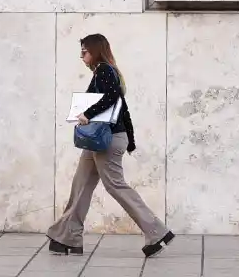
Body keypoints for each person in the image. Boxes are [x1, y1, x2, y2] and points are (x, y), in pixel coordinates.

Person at [47, 33, 175, 258]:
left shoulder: (105, 70)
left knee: (116, 186)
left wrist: (87, 113)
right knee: (81, 185)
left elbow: (112, 98)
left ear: (95, 51)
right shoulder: (103, 72)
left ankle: (157, 232)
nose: (81, 55)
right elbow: (123, 108)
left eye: (84, 51)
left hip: (106, 138)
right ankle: (68, 237)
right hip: (100, 139)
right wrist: (130, 139)